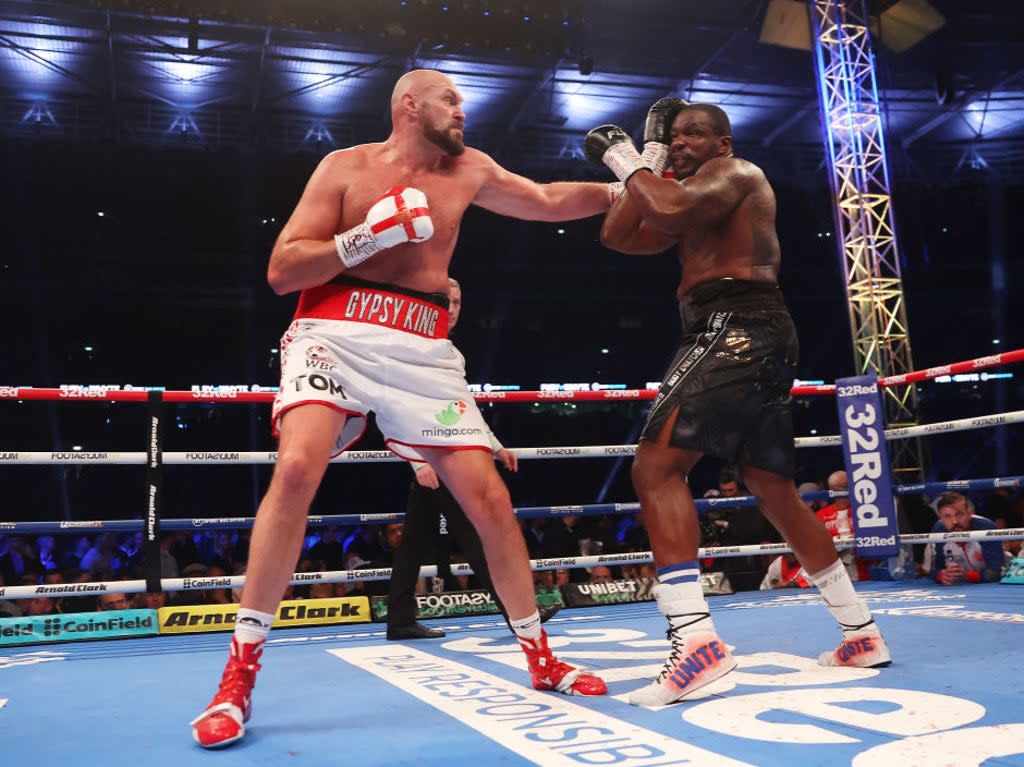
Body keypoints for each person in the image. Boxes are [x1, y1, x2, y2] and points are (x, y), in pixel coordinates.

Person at [190, 68, 611, 749]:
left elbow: (550, 198)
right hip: (334, 329)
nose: (463, 110)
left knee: (489, 498)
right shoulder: (344, 167)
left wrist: (628, 189)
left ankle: (540, 654)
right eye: (451, 98)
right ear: (409, 105)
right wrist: (366, 239)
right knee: (297, 467)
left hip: (422, 349)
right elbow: (282, 270)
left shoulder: (470, 167)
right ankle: (237, 677)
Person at [586, 98, 892, 707]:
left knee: (656, 467)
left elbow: (666, 205)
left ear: (723, 144)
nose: (682, 143)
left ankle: (695, 642)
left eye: (695, 135)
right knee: (771, 485)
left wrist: (624, 157)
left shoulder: (737, 174)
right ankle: (860, 633)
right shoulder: (684, 195)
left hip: (736, 325)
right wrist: (644, 159)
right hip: (746, 329)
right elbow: (618, 235)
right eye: (673, 137)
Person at [386, 278, 559, 640]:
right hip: (438, 459)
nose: (451, 309)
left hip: (451, 453)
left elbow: (461, 408)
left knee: (415, 542)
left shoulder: (446, 350)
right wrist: (419, 463)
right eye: (444, 300)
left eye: (458, 302)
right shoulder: (409, 345)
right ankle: (520, 616)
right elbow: (394, 409)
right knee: (482, 536)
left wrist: (495, 446)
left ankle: (400, 620)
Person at [929, 492, 1003, 585]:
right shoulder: (939, 531)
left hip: (988, 588)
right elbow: (934, 570)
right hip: (956, 590)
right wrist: (941, 576)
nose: (954, 522)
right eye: (947, 516)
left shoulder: (985, 527)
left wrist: (969, 576)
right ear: (941, 518)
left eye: (959, 514)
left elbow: (996, 571)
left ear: (969, 514)